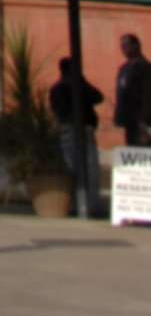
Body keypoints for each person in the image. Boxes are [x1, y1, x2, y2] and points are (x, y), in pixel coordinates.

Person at [50, 54, 103, 213]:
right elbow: (98, 97)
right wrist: (82, 81)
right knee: (90, 168)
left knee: (71, 167)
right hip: (81, 130)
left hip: (67, 130)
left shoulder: (57, 87)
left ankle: (73, 204)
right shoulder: (78, 86)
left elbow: (55, 109)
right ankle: (90, 204)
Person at [115, 33, 151, 150]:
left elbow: (147, 94)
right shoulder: (124, 68)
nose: (124, 49)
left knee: (142, 151)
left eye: (126, 45)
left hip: (140, 120)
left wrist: (144, 119)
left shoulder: (144, 67)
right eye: (122, 47)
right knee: (132, 149)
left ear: (136, 46)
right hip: (128, 120)